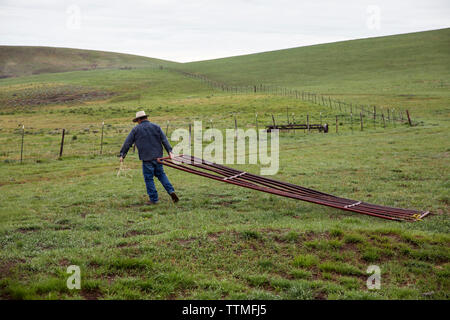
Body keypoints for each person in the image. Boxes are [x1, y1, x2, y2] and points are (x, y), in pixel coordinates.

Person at [119, 111, 179, 204]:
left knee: (149, 178)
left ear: (139, 120)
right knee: (161, 175)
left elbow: (128, 143)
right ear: (146, 118)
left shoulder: (136, 129)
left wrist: (123, 154)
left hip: (146, 158)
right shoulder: (156, 127)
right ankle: (171, 191)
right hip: (158, 157)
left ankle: (154, 199)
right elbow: (164, 140)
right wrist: (170, 152)